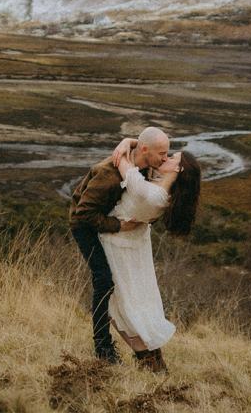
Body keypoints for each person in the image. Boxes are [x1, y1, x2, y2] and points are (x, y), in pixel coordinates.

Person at [69, 127, 171, 364]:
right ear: (145, 150)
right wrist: (117, 225)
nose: (165, 158)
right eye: (162, 153)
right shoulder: (109, 174)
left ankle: (142, 348)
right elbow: (83, 214)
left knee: (119, 284)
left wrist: (129, 140)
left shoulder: (144, 167)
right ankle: (103, 349)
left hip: (107, 226)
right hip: (85, 228)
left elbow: (146, 148)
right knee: (104, 281)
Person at [100, 142, 201, 372]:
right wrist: (129, 141)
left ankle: (147, 360)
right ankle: (154, 359)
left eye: (172, 157)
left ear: (179, 169)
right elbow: (145, 147)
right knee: (139, 302)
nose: (166, 158)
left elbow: (121, 161)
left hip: (118, 245)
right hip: (135, 245)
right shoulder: (164, 194)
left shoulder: (152, 193)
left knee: (118, 306)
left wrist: (124, 146)